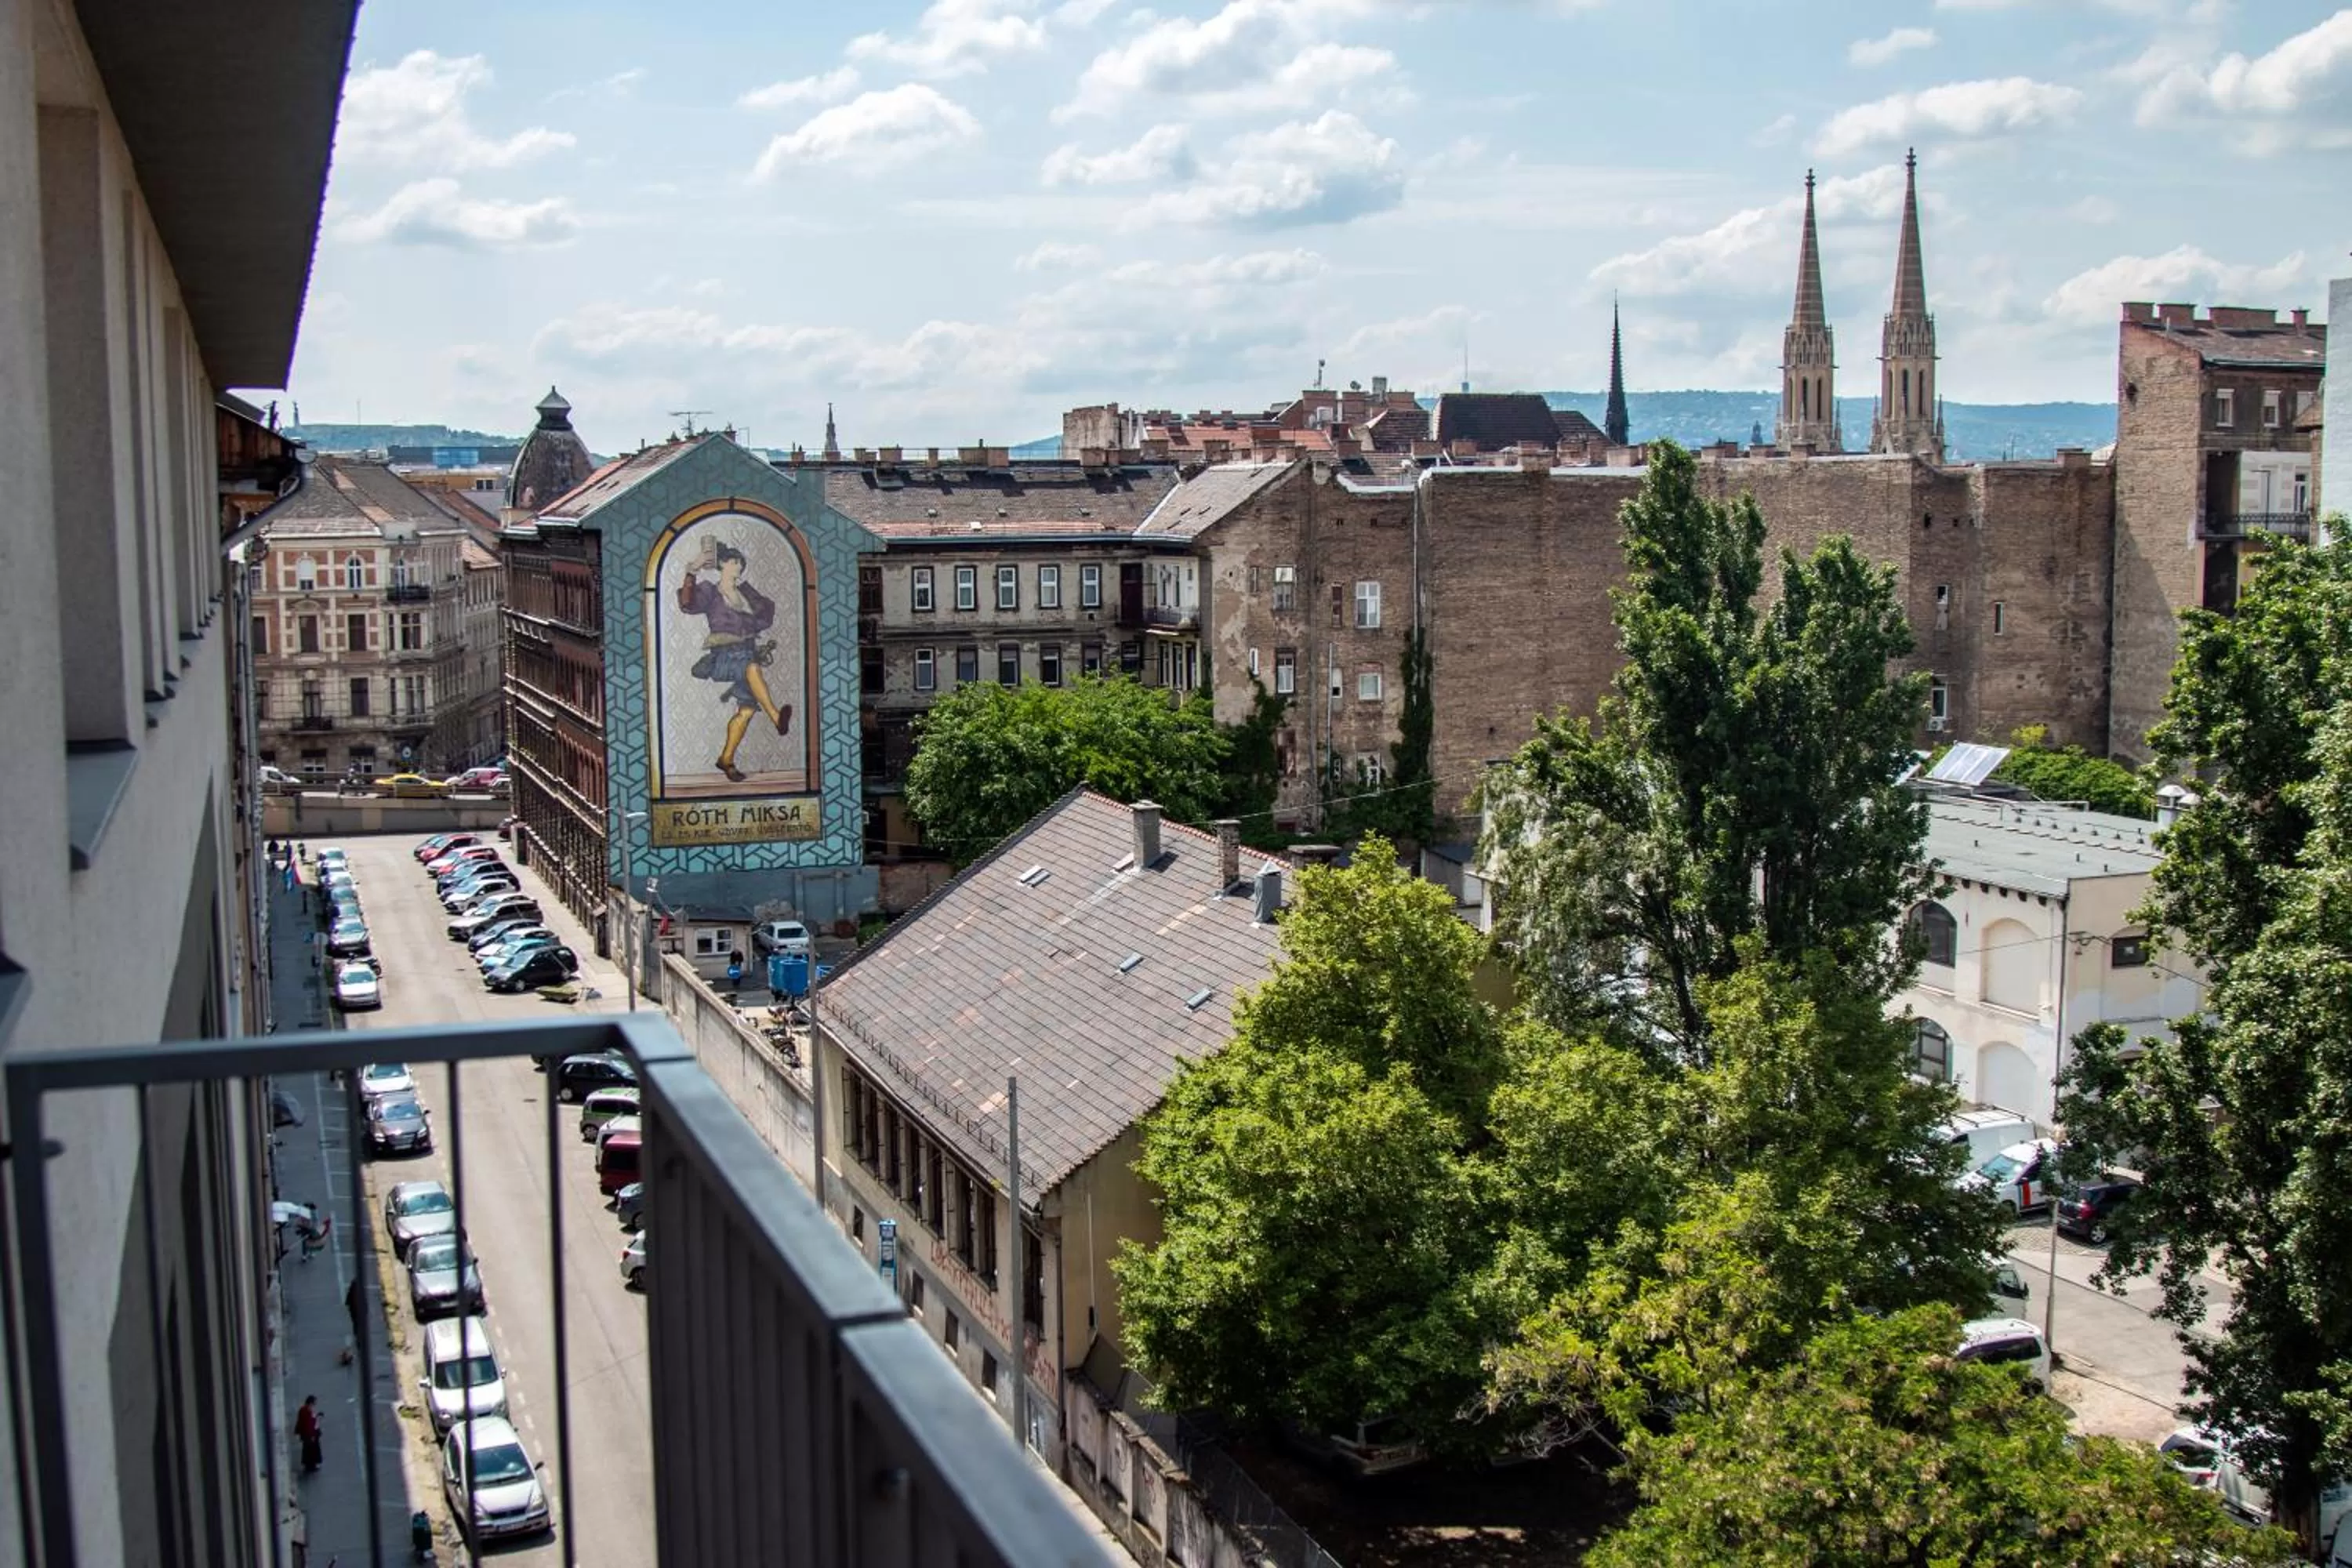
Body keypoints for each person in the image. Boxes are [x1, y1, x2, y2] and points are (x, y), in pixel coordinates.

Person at [676, 536, 791, 781]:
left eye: (740, 562)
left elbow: (766, 618)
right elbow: (687, 604)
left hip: (747, 651)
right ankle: (776, 716)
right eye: (732, 561)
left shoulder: (746, 593)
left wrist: (748, 605)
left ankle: (726, 760)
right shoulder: (710, 591)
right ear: (722, 565)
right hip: (725, 657)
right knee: (752, 669)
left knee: (746, 711)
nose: (738, 566)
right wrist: (692, 569)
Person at [295, 1395, 323, 1473]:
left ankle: (309, 1465)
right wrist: (312, 1435)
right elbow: (308, 1425)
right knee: (311, 1450)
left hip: (308, 1434)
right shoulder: (307, 1411)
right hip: (310, 1435)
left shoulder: (304, 1410)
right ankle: (311, 1466)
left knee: (308, 1450)